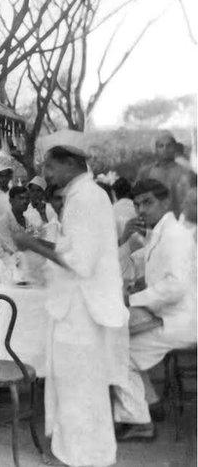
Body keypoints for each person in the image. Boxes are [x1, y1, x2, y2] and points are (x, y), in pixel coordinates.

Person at [12, 130, 128, 467]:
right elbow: (70, 251)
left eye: (50, 166)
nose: (46, 175)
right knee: (70, 384)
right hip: (72, 307)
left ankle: (85, 458)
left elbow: (80, 261)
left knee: (81, 387)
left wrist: (31, 243)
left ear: (72, 163)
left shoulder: (88, 197)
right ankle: (71, 454)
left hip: (83, 310)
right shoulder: (80, 196)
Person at [112, 179, 197, 441]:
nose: (141, 210)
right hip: (168, 314)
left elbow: (176, 287)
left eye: (147, 202)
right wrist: (139, 284)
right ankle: (150, 403)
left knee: (117, 354)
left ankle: (139, 421)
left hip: (181, 320)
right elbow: (158, 272)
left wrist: (133, 300)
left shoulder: (175, 235)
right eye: (137, 204)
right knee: (119, 341)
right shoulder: (161, 231)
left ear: (165, 202)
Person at [136, 132, 193, 216]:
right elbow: (136, 198)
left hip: (178, 223)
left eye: (169, 145)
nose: (165, 149)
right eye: (161, 146)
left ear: (175, 148)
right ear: (155, 149)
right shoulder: (146, 172)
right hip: (153, 223)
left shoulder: (186, 173)